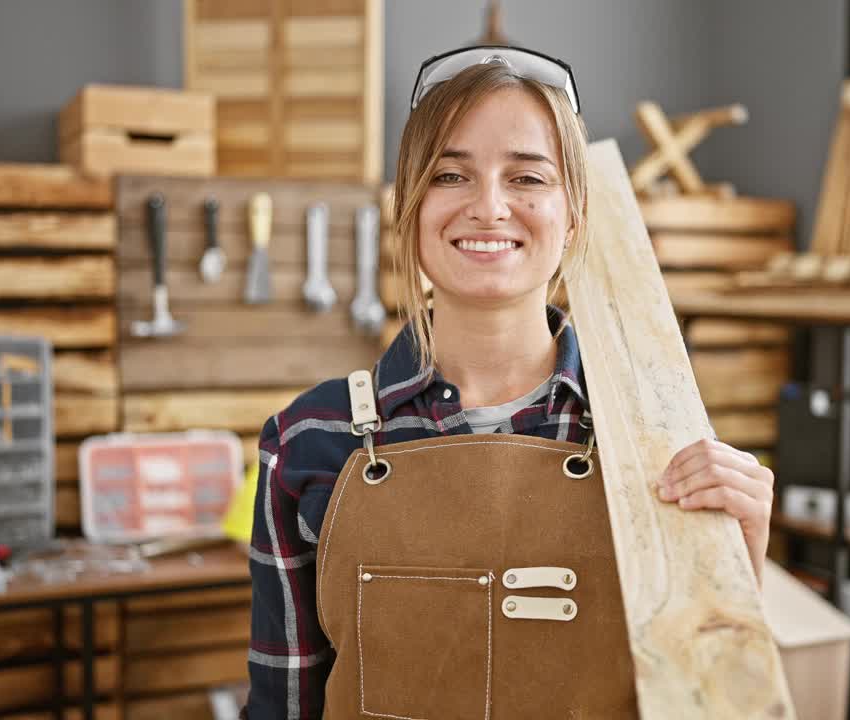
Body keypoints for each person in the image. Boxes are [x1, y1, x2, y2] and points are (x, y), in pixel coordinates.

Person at [246, 45, 775, 719]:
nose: (490, 207)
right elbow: (281, 705)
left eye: (527, 178)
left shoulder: (654, 439)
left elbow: (708, 703)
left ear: (575, 215)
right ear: (408, 209)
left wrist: (739, 571)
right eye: (450, 176)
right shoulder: (306, 439)